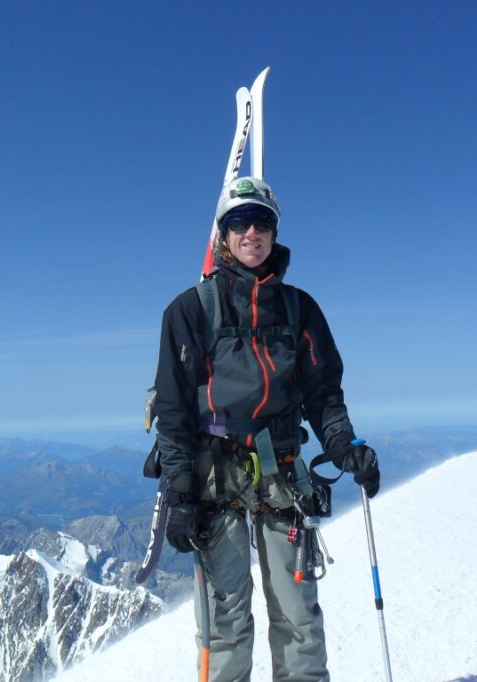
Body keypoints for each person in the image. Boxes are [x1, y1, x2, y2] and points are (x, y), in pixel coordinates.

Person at [151, 176, 380, 682]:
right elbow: (172, 411)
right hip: (214, 475)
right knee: (226, 619)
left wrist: (345, 447)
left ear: (274, 234)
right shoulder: (189, 310)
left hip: (283, 473)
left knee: (298, 613)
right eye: (239, 222)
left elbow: (323, 395)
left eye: (262, 222)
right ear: (223, 234)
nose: (251, 232)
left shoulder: (300, 310)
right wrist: (182, 491)